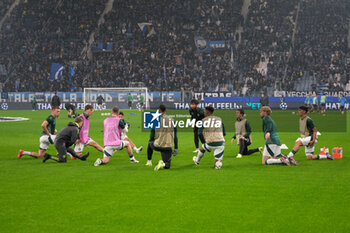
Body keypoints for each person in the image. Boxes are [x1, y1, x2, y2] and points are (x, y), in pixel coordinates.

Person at [147, 104, 178, 170]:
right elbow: (175, 136)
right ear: (166, 110)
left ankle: (149, 161)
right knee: (167, 166)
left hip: (157, 145)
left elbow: (152, 135)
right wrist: (176, 148)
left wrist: (152, 140)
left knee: (150, 143)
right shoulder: (173, 120)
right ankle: (163, 164)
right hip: (168, 147)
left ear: (158, 111)